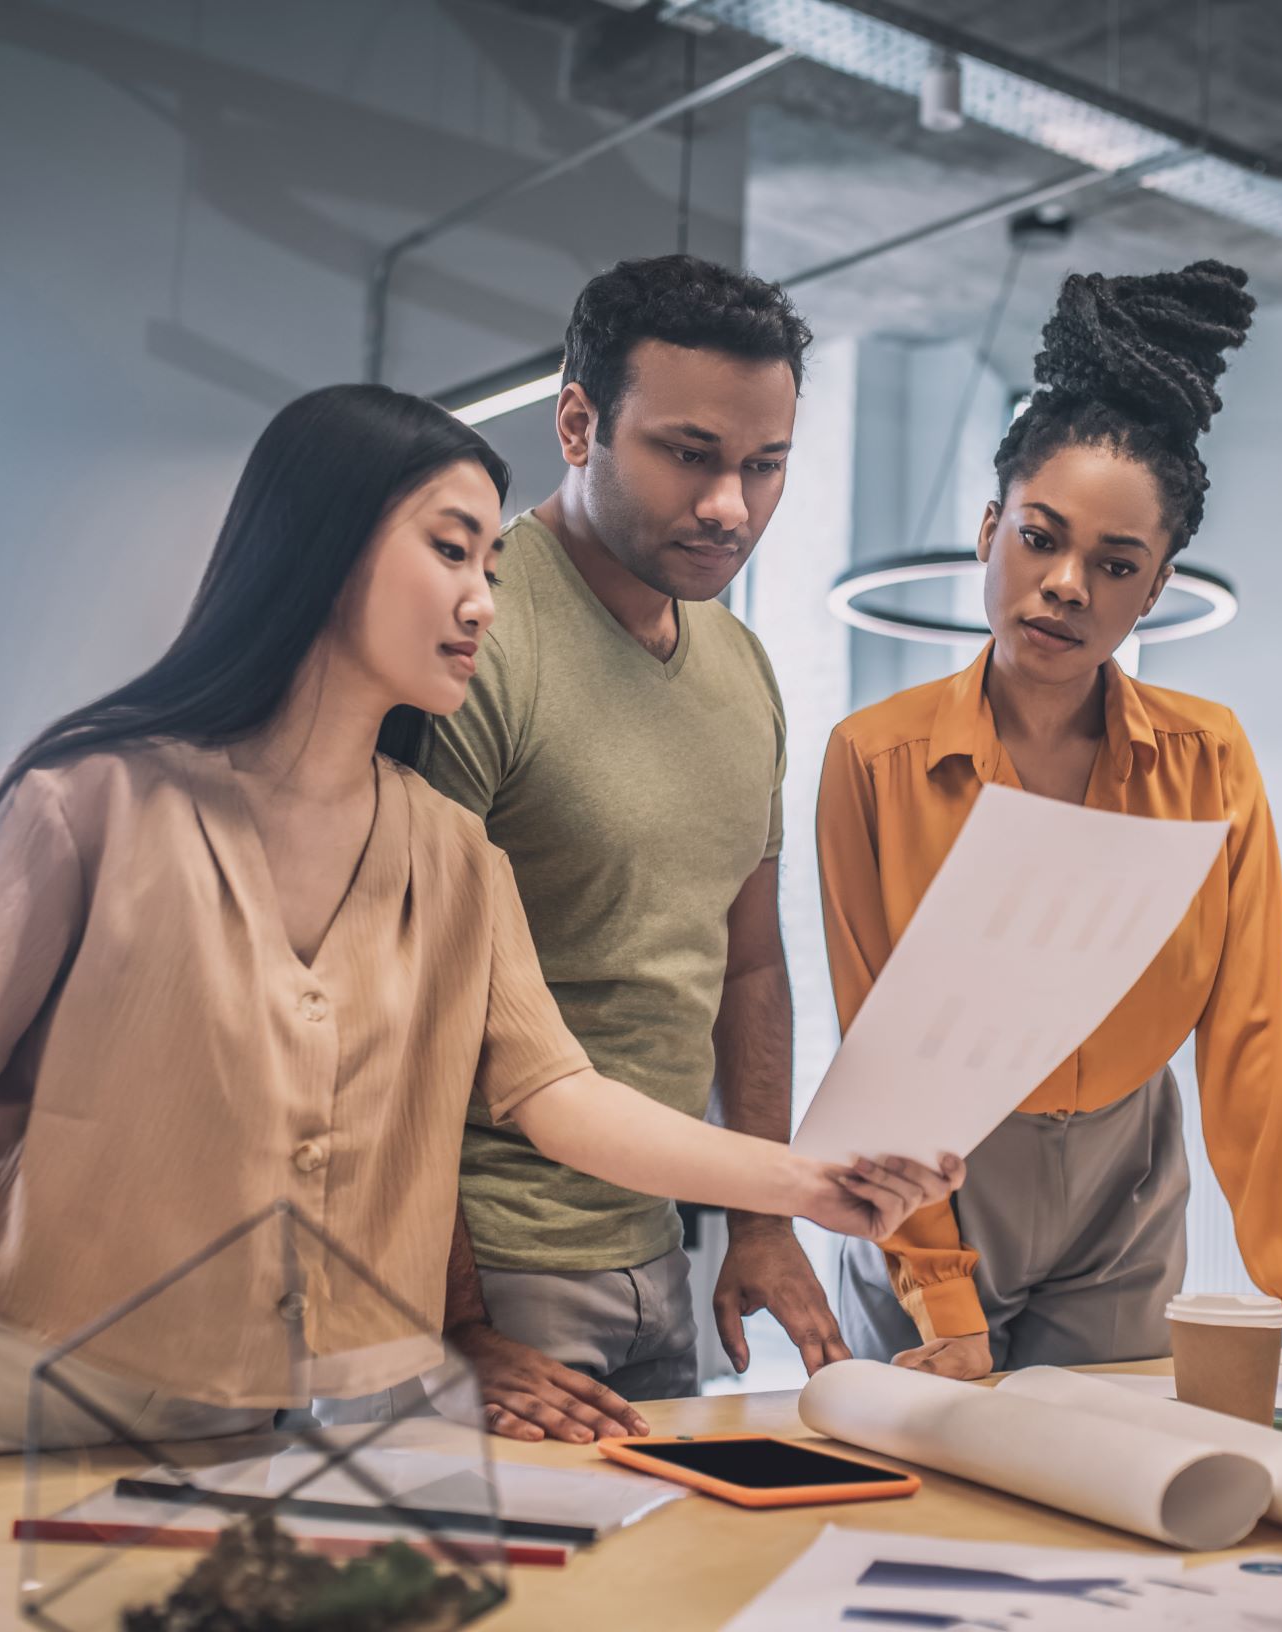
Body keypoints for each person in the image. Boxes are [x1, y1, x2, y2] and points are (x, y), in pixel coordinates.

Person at [0, 384, 959, 1463]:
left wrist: (808, 1185)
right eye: (449, 550)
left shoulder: (451, 853)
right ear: (325, 544)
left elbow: (561, 1097)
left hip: (245, 1422)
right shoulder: (93, 795)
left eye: (492, 566)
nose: (481, 599)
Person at [814, 266, 1282, 1418]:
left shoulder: (1208, 759)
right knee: (917, 1502)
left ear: (1155, 590)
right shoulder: (872, 760)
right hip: (930, 1182)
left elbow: (1253, 1048)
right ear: (989, 531)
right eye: (1039, 539)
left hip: (1128, 1182)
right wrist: (941, 1296)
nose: (1064, 586)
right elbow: (875, 1047)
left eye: (1116, 566)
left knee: (1104, 1498)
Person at [420, 256, 841, 1444]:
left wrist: (759, 1219)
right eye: (689, 453)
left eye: (765, 467)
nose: (730, 505)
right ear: (577, 422)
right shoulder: (473, 637)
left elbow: (746, 964)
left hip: (660, 1251)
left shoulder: (743, 669)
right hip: (490, 1271)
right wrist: (455, 1324)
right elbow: (395, 1014)